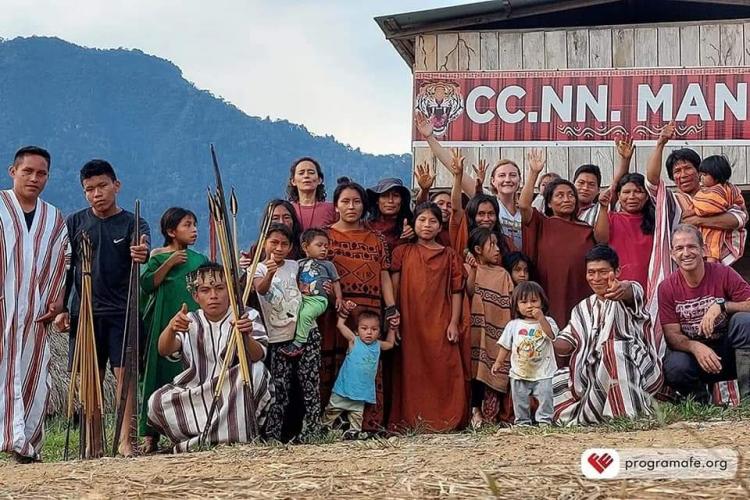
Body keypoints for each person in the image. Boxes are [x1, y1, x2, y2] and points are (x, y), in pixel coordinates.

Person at [54, 159, 149, 457]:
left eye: (103, 186)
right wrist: (61, 307)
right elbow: (65, 270)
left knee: (125, 378)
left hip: (122, 312)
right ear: (84, 192)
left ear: (116, 186)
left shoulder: (133, 221)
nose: (97, 194)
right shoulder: (75, 223)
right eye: (89, 189)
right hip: (84, 314)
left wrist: (141, 252)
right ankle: (92, 444)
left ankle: (125, 442)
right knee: (88, 379)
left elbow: (143, 248)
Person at [147, 263, 272, 452]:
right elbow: (164, 349)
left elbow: (258, 354)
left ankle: (204, 438)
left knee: (256, 372)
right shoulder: (190, 319)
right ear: (196, 296)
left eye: (220, 288)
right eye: (205, 290)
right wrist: (172, 328)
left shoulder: (245, 314)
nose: (213, 296)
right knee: (157, 401)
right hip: (197, 390)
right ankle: (224, 434)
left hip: (232, 390)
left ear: (230, 292)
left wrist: (244, 336)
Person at [1, 146, 69, 463]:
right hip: (3, 310)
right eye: (27, 171)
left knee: (33, 374)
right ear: (12, 171)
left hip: (34, 314)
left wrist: (57, 300)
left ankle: (25, 445)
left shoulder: (53, 218)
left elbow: (62, 261)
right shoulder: (1, 208)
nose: (34, 178)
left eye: (41, 173)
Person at [320, 178, 398, 433]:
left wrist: (391, 308)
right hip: (336, 313)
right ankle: (331, 426)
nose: (351, 206)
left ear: (364, 206)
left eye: (356, 201)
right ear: (336, 206)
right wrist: (334, 300)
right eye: (345, 201)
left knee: (367, 366)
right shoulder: (326, 237)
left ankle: (367, 424)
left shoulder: (376, 239)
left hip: (369, 313)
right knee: (335, 365)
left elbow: (384, 274)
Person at [552, 245, 662, 425]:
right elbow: (567, 340)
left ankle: (627, 416)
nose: (596, 278)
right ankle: (595, 412)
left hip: (637, 368)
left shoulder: (628, 293)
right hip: (596, 371)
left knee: (614, 348)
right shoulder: (582, 308)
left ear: (617, 271)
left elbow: (631, 290)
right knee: (560, 377)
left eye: (603, 272)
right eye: (591, 272)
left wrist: (622, 288)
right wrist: (544, 340)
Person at [389, 202, 467, 432]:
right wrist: (394, 318)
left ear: (440, 225)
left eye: (432, 221)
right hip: (410, 320)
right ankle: (413, 420)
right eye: (422, 220)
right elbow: (393, 286)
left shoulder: (449, 255)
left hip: (441, 320)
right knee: (413, 370)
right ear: (413, 223)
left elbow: (457, 291)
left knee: (444, 367)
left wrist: (454, 322)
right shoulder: (403, 252)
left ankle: (447, 419)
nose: (427, 225)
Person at [138, 207, 208, 453]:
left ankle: (186, 429)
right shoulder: (158, 257)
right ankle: (150, 435)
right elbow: (146, 284)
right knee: (158, 374)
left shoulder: (199, 259)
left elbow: (213, 282)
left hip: (192, 325)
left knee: (188, 372)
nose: (194, 230)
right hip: (162, 324)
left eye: (195, 224)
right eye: (187, 225)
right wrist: (168, 264)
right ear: (171, 231)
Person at [659, 224, 750, 404]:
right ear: (672, 254)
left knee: (745, 322)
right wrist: (695, 347)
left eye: (691, 246)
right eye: (679, 248)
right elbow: (671, 335)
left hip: (729, 352)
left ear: (703, 249)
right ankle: (701, 402)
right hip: (695, 358)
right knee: (675, 366)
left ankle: (748, 399)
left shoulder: (723, 273)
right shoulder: (667, 287)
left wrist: (723, 305)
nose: (686, 253)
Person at [518, 150, 606, 327]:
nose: (567, 199)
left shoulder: (586, 229)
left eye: (571, 195)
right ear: (549, 203)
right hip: (549, 291)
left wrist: (604, 206)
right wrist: (534, 173)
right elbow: (523, 205)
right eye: (560, 195)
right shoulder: (541, 223)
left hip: (579, 292)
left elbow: (603, 241)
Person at [251, 223, 322, 441]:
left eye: (284, 244)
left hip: (305, 333)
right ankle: (273, 434)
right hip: (278, 337)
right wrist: (270, 274)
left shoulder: (295, 265)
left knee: (310, 384)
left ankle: (313, 432)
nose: (278, 248)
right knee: (279, 388)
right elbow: (260, 289)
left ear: (291, 247)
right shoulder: (258, 268)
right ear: (264, 243)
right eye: (274, 242)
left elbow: (311, 284)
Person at [415, 113, 522, 248]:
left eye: (512, 175)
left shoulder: (525, 208)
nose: (507, 179)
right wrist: (429, 137)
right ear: (493, 181)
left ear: (519, 180)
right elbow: (451, 164)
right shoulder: (486, 200)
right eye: (502, 175)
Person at [322, 303, 396, 439]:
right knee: (331, 411)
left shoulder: (377, 345)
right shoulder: (354, 341)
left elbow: (390, 344)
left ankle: (353, 434)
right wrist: (346, 311)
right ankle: (323, 430)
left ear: (379, 333)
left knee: (357, 416)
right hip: (343, 390)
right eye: (364, 328)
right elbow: (340, 325)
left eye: (374, 329)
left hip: (361, 392)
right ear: (357, 331)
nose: (369, 332)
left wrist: (393, 328)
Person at [465, 227, 514, 428]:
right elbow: (468, 290)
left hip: (498, 331)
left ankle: (490, 415)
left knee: (494, 369)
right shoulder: (469, 268)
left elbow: (510, 300)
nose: (497, 250)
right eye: (491, 245)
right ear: (477, 249)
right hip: (477, 330)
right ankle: (475, 411)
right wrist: (474, 269)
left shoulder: (503, 274)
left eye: (497, 245)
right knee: (476, 369)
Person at [492, 281, 558, 426]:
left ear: (542, 302)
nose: (529, 306)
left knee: (545, 397)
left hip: (543, 371)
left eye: (534, 301)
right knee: (519, 398)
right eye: (524, 302)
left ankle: (545, 421)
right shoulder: (513, 325)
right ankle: (522, 422)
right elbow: (505, 345)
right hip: (519, 372)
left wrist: (541, 319)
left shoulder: (548, 321)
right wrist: (498, 362)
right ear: (516, 305)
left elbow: (552, 336)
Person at [280, 228, 343, 358]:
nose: (324, 249)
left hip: (318, 300)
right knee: (291, 313)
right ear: (305, 247)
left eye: (326, 246)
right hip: (301, 298)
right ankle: (287, 338)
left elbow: (336, 282)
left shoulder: (328, 265)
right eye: (319, 245)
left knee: (305, 315)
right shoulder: (298, 264)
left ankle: (298, 344)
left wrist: (338, 298)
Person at [446, 149, 512, 257]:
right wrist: (458, 176)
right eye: (481, 214)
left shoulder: (504, 243)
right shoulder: (462, 233)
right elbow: (456, 208)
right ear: (472, 215)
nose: (486, 219)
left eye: (491, 214)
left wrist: (479, 189)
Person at [691, 155, 746, 263]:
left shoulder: (717, 190)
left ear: (716, 176)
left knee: (712, 247)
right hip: (721, 223)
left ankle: (712, 266)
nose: (701, 177)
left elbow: (709, 207)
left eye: (705, 175)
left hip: (717, 229)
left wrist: (692, 212)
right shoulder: (729, 188)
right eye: (701, 174)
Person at [240, 199, 303, 267]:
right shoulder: (257, 249)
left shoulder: (302, 247)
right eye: (275, 218)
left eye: (286, 217)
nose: (281, 222)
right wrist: (245, 263)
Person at [287, 157, 337, 230]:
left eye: (311, 173)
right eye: (301, 173)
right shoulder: (287, 210)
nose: (306, 176)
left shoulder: (332, 209)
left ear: (319, 180)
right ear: (293, 181)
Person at [366, 178, 415, 251]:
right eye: (385, 196)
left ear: (402, 201)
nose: (390, 201)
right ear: (377, 201)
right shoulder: (366, 226)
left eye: (395, 196)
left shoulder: (410, 226)